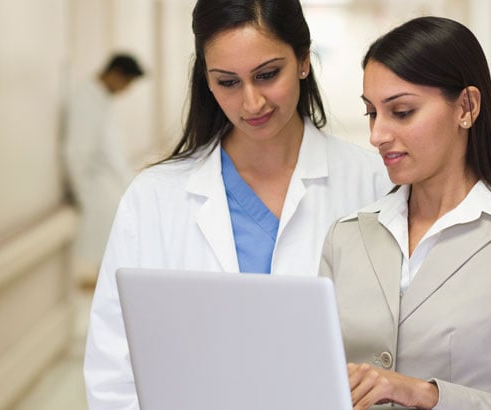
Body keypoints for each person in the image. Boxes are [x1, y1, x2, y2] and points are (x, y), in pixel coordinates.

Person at [83, 0, 392, 407]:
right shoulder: (154, 197)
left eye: (267, 75)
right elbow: (114, 369)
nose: (252, 103)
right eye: (228, 82)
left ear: (303, 60)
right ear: (206, 80)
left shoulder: (375, 184)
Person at [319, 16, 491, 409]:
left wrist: (425, 395)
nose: (377, 135)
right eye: (372, 112)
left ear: (466, 107)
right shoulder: (346, 237)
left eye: (401, 112)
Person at [63, 53, 144, 282]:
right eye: (126, 83)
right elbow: (77, 150)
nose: (126, 90)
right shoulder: (85, 99)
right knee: (104, 239)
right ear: (115, 74)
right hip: (95, 185)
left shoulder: (101, 99)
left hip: (108, 182)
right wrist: (82, 192)